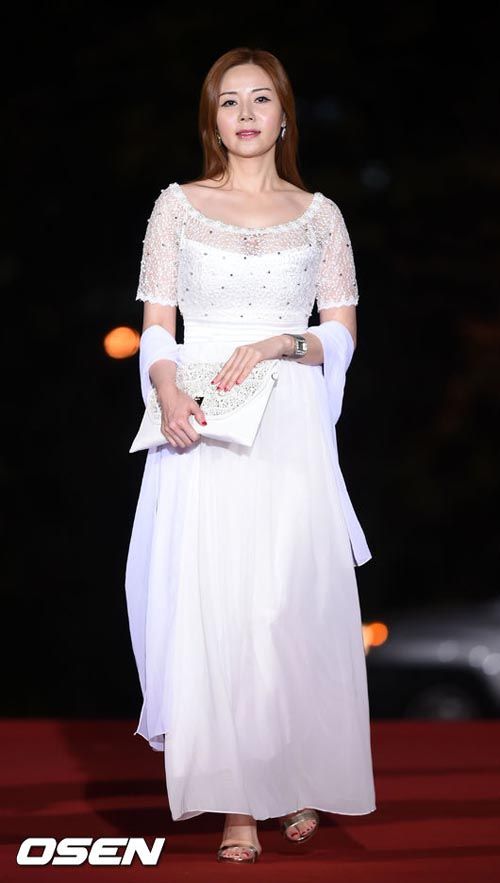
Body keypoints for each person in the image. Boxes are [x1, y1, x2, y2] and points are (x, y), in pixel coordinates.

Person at [125, 46, 376, 864]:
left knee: (284, 603)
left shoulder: (319, 215)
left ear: (283, 116)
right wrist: (168, 392)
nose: (244, 113)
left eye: (260, 99)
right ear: (213, 117)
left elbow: (340, 334)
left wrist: (280, 342)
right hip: (203, 419)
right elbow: (157, 325)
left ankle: (292, 770)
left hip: (289, 422)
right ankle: (239, 805)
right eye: (229, 100)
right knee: (219, 606)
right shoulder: (177, 207)